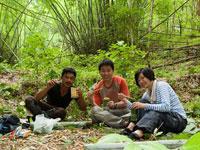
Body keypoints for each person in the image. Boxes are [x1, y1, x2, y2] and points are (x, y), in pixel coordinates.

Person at [120, 68, 187, 139]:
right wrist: (124, 100)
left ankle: (139, 132)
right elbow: (136, 108)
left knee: (153, 109)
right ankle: (130, 127)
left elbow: (166, 107)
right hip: (163, 121)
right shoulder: (147, 93)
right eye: (139, 80)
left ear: (149, 76)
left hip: (177, 121)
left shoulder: (162, 86)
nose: (141, 81)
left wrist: (144, 105)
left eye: (142, 78)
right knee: (141, 101)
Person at [91, 59, 131, 128]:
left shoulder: (120, 81)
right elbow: (98, 107)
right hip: (108, 112)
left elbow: (126, 102)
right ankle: (122, 123)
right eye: (103, 71)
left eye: (108, 70)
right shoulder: (98, 86)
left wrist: (114, 105)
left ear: (113, 71)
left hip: (122, 110)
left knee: (129, 113)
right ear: (99, 72)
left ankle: (111, 121)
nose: (106, 73)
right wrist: (90, 100)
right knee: (94, 110)